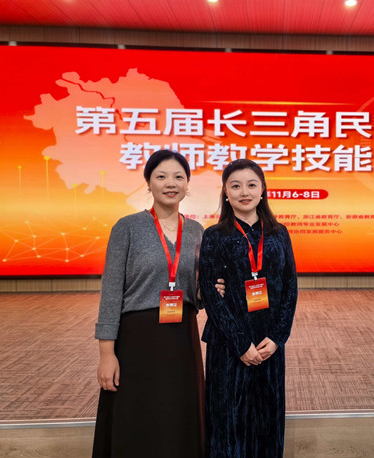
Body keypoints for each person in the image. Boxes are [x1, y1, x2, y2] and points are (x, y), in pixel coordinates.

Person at [92, 149, 223, 458]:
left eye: (178, 177)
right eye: (161, 176)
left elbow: (195, 294)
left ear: (187, 184)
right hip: (137, 341)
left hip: (182, 339)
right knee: (137, 417)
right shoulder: (127, 227)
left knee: (179, 416)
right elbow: (111, 293)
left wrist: (212, 291)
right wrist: (106, 355)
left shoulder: (197, 232)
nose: (170, 183)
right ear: (148, 182)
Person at [199, 158, 298, 458]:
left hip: (269, 344)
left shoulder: (279, 233)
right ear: (226, 192)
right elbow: (210, 292)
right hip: (229, 346)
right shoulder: (215, 235)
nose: (244, 192)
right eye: (236, 186)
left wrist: (278, 338)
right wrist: (241, 344)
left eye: (252, 185)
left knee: (267, 423)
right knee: (228, 425)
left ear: (263, 190)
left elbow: (290, 287)